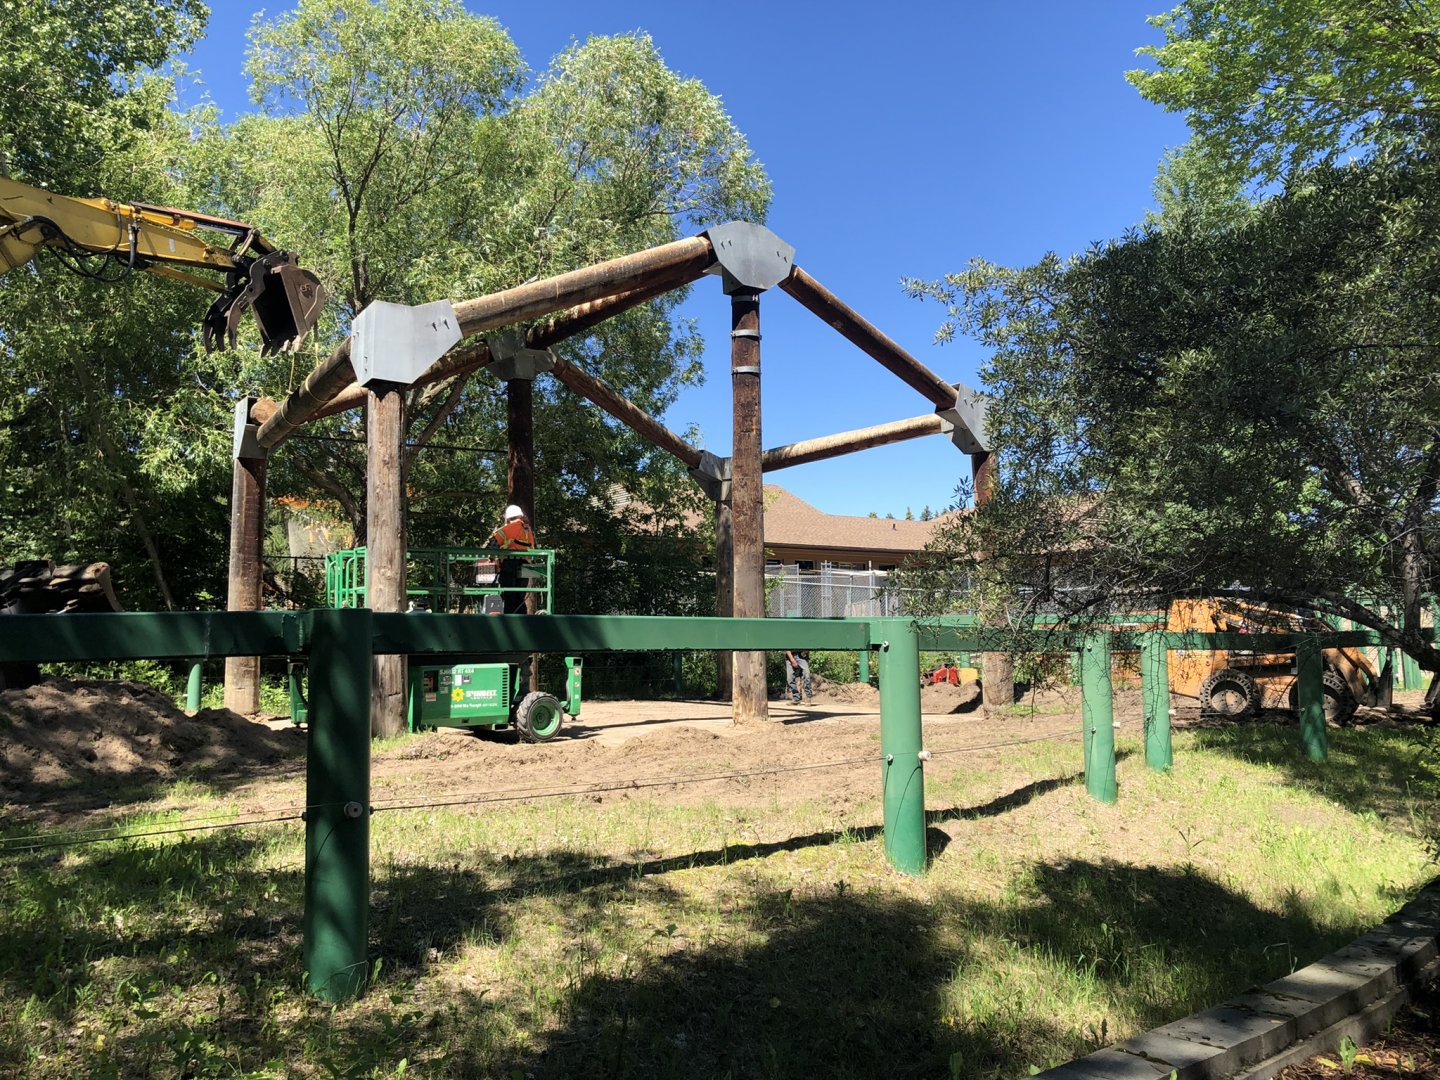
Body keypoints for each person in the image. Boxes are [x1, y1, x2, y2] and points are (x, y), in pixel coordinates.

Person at [488, 504, 534, 613]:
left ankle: (509, 618)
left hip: (509, 563)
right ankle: (521, 618)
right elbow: (532, 547)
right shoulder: (528, 531)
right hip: (524, 564)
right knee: (520, 596)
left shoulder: (505, 529)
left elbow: (493, 547)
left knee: (509, 594)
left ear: (509, 517)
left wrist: (491, 558)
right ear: (520, 516)